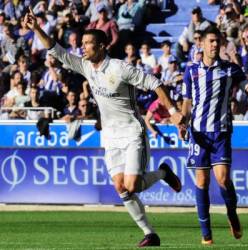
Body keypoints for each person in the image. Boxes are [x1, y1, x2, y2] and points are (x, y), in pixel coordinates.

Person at [24, 7, 183, 247]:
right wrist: (35, 27)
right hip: (110, 137)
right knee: (122, 187)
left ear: (101, 47)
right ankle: (150, 233)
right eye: (83, 43)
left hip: (131, 132)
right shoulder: (87, 67)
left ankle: (163, 173)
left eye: (88, 44)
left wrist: (173, 112)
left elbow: (155, 83)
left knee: (132, 186)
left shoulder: (120, 68)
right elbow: (55, 50)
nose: (83, 47)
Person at [179, 26, 248, 245]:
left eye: (217, 41)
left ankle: (231, 212)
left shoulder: (230, 69)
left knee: (222, 178)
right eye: (210, 41)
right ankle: (206, 234)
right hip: (198, 133)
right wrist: (183, 122)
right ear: (200, 43)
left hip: (220, 133)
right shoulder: (191, 70)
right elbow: (186, 102)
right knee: (202, 180)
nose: (214, 45)